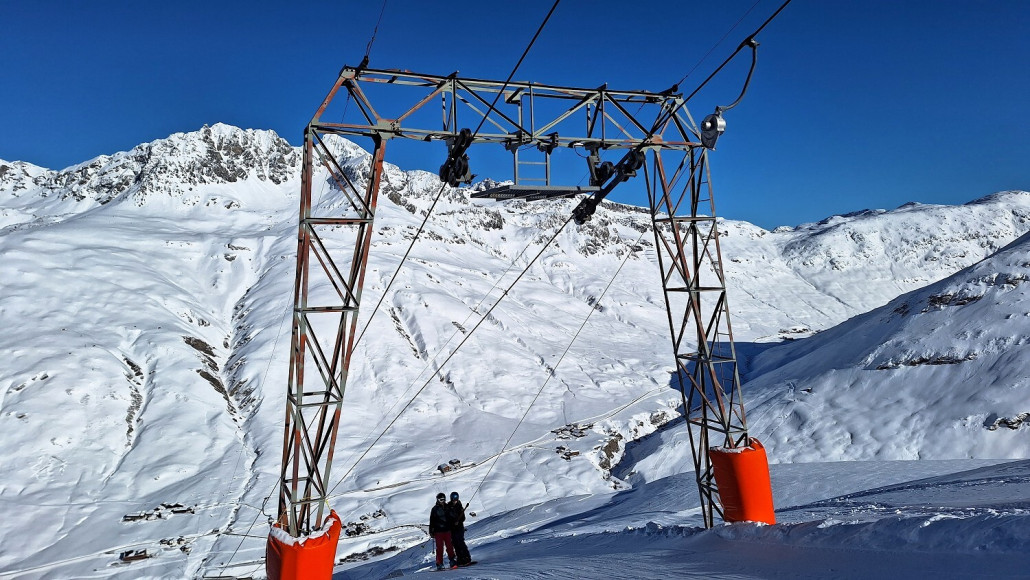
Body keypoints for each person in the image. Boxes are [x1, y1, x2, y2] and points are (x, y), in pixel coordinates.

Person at [428, 492, 457, 570]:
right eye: (441, 500)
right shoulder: (434, 509)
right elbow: (432, 521)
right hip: (438, 532)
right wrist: (431, 531)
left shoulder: (447, 507)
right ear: (437, 500)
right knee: (440, 548)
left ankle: (452, 560)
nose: (442, 501)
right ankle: (439, 563)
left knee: (450, 546)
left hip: (447, 530)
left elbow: (452, 516)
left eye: (443, 499)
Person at [447, 491, 473, 566]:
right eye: (453, 499)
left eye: (456, 499)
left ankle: (467, 557)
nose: (455, 501)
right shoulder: (448, 507)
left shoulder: (459, 506)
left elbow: (463, 518)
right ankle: (460, 558)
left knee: (460, 542)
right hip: (452, 528)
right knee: (455, 543)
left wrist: (458, 521)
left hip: (459, 528)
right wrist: (452, 522)